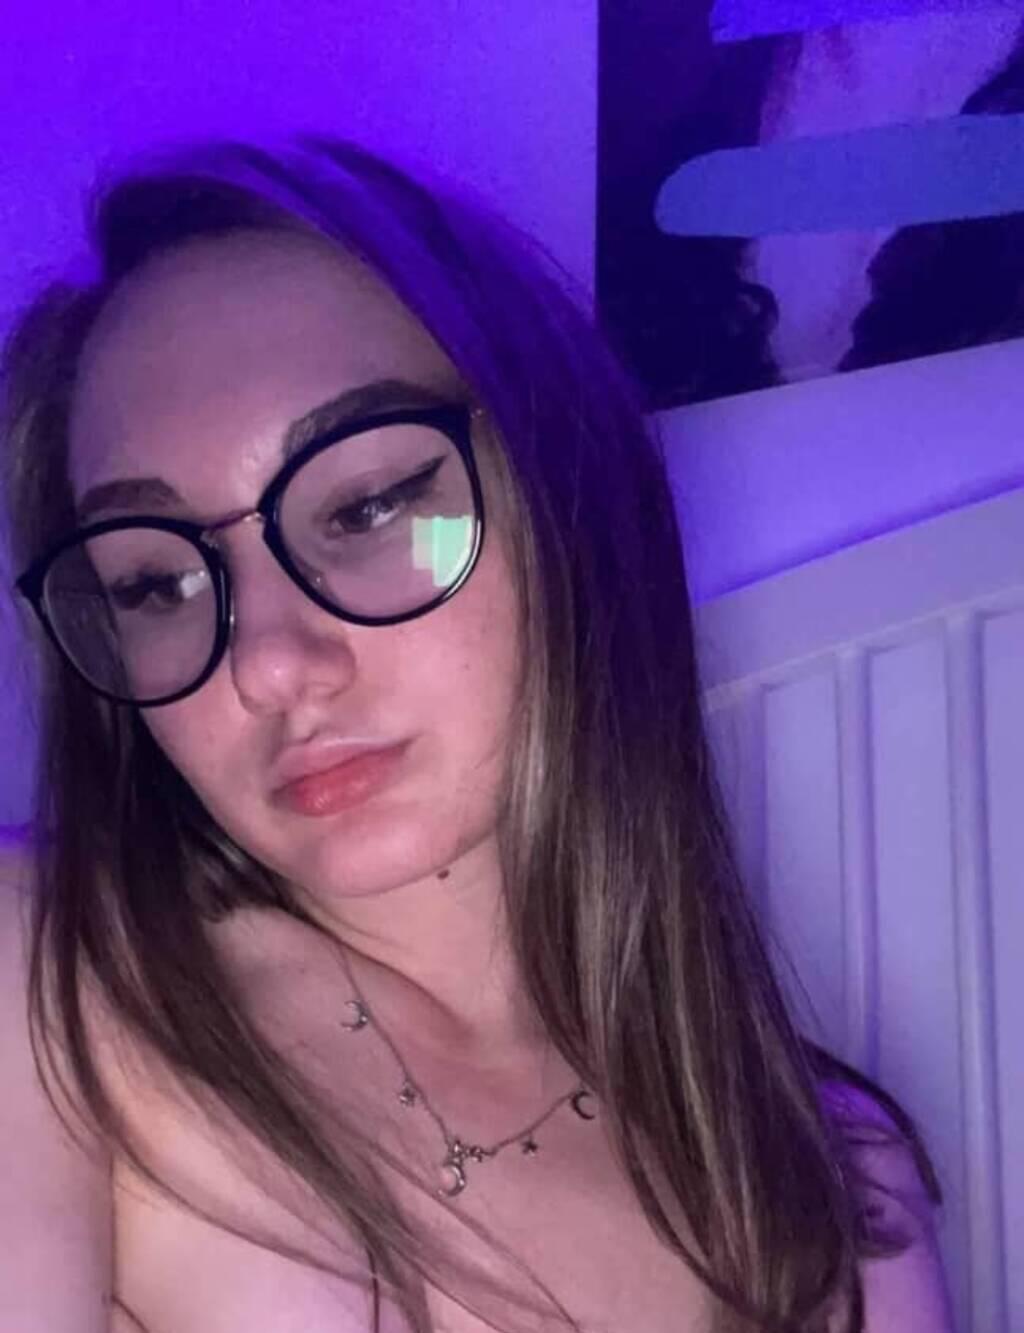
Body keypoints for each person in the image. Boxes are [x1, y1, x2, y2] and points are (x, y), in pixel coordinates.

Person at [0, 136, 953, 1332]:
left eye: (367, 505)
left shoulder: (837, 1183)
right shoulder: (47, 974)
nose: (267, 663)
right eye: (155, 582)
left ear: (566, 497)